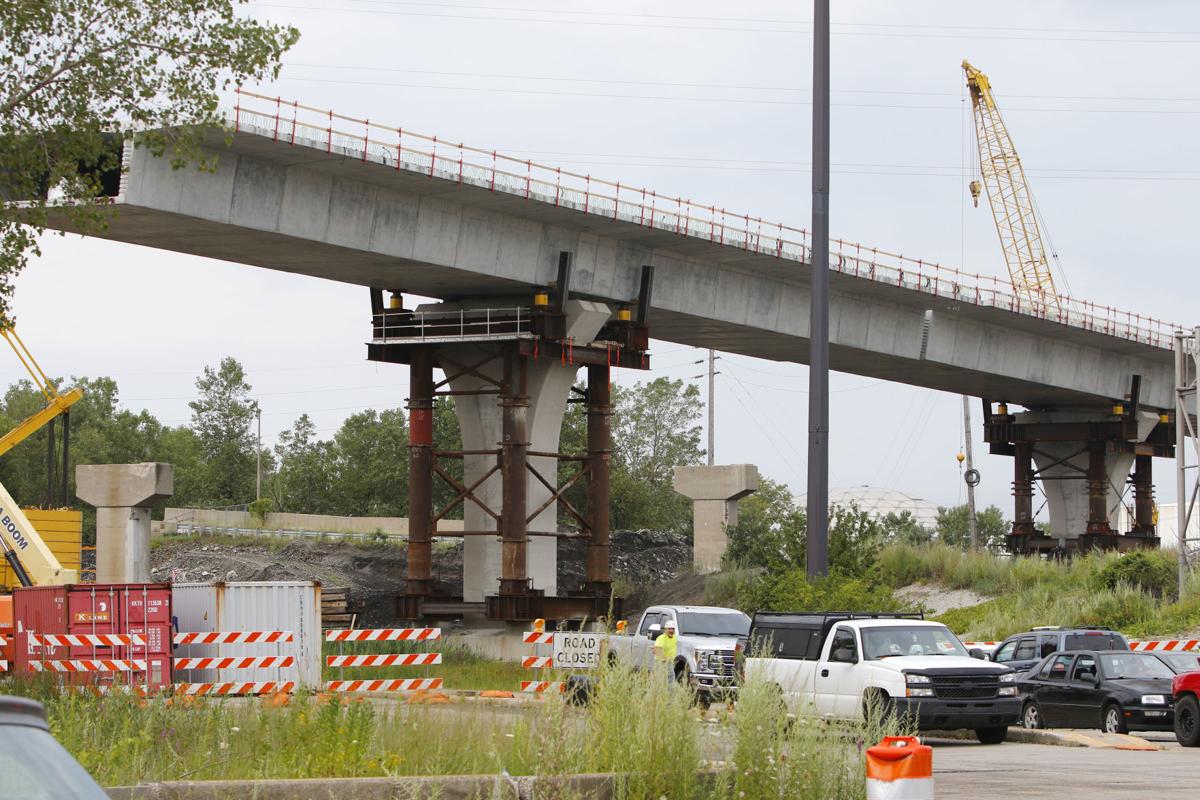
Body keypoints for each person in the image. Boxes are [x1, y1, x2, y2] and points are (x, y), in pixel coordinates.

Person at [654, 618, 679, 686]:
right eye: (669, 629)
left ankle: (669, 692)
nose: (671, 630)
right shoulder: (661, 638)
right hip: (661, 663)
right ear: (665, 629)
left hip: (670, 662)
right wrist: (665, 658)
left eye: (673, 629)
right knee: (661, 681)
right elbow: (656, 650)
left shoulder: (675, 638)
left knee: (670, 680)